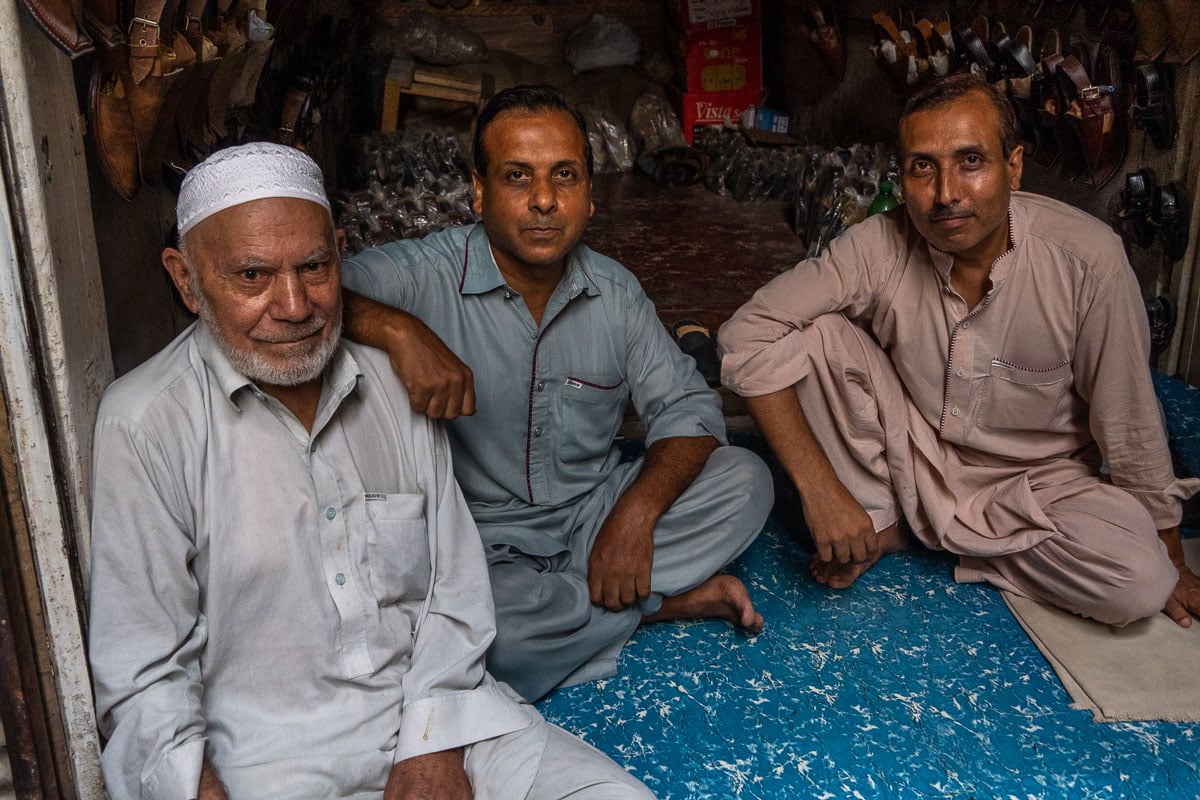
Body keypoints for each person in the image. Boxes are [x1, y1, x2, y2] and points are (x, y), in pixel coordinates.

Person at [87, 142, 657, 800]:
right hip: (269, 762)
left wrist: (432, 743)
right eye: (252, 277)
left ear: (340, 252)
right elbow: (142, 673)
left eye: (315, 267)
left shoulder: (388, 384)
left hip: (447, 721)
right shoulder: (145, 423)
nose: (295, 305)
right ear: (186, 280)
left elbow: (457, 591)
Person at [341, 85, 774, 702]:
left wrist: (635, 516)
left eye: (563, 176)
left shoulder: (613, 292)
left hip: (592, 517)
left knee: (747, 479)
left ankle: (591, 600)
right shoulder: (422, 275)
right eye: (517, 177)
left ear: (590, 195)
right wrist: (398, 328)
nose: (544, 201)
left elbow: (690, 410)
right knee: (496, 638)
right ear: (480, 190)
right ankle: (655, 605)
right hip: (478, 540)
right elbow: (312, 296)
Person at [719, 74, 1200, 629]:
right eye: (924, 167)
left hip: (1042, 485)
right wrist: (820, 489)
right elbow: (742, 335)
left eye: (971, 161)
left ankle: (910, 532)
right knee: (814, 335)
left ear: (1013, 167)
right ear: (902, 179)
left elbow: (1130, 420)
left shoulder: (1088, 261)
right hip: (914, 457)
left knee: (1140, 585)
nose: (946, 193)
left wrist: (1171, 556)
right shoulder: (880, 244)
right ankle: (901, 517)